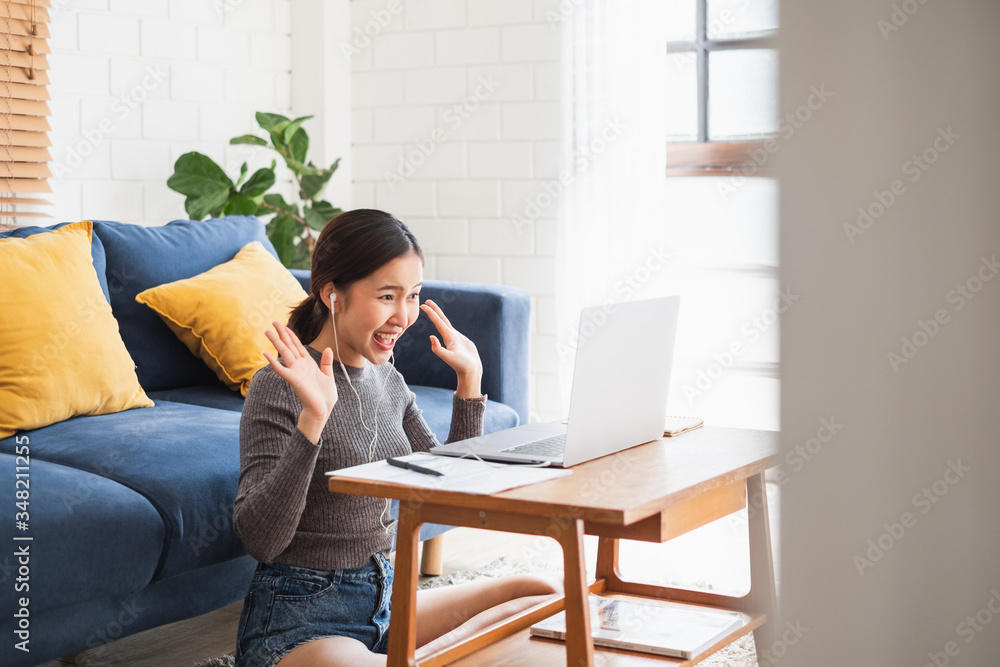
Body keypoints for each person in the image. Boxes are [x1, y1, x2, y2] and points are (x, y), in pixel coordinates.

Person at [232, 209, 560, 667]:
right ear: (332, 295)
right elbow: (261, 539)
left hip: (380, 605)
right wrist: (314, 418)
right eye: (387, 296)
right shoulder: (279, 384)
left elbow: (448, 490)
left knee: (542, 594)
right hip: (300, 623)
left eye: (413, 296)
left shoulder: (387, 378)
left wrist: (470, 383)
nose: (403, 316)